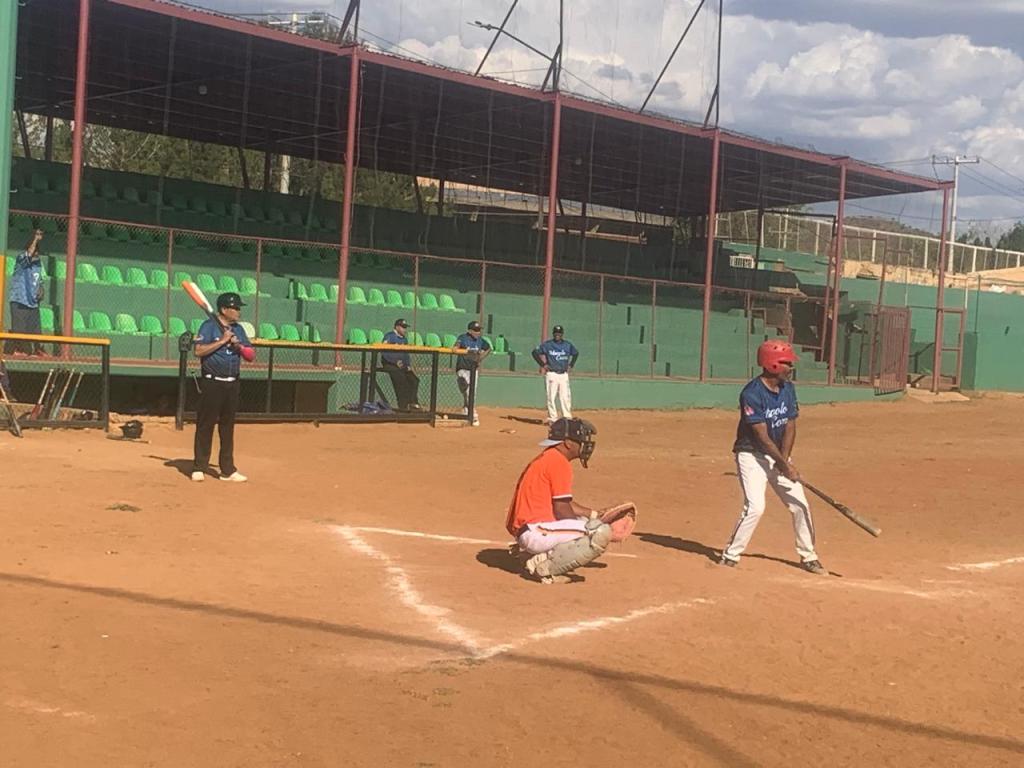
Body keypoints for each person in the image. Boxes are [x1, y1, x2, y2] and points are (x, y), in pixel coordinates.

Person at [719, 340, 826, 575]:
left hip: (778, 454)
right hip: (752, 454)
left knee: (800, 505)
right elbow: (761, 436)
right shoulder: (751, 394)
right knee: (755, 506)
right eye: (787, 363)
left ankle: (809, 556)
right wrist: (780, 463)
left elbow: (790, 424)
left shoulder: (788, 388)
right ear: (773, 364)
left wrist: (785, 460)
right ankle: (731, 555)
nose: (791, 367)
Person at [505, 417, 636, 584]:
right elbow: (561, 509)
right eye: (580, 440)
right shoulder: (558, 462)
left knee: (587, 523)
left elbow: (562, 503)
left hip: (531, 530)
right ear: (567, 443)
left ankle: (532, 553)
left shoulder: (549, 458)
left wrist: (595, 515)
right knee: (598, 533)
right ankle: (542, 565)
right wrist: (600, 529)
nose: (584, 445)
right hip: (536, 532)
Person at [191, 292, 253, 483]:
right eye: (235, 308)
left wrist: (239, 346)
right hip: (212, 382)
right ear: (224, 309)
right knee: (205, 425)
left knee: (227, 428)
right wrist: (222, 341)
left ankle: (227, 469)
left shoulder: (239, 330)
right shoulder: (208, 327)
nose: (238, 312)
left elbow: (250, 356)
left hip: (232, 382)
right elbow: (198, 351)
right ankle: (199, 466)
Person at [5, 229, 45, 356]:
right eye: (34, 252)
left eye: (38, 252)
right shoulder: (21, 260)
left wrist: (41, 290)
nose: (36, 254)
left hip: (33, 303)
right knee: (19, 329)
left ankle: (39, 349)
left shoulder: (38, 264)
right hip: (20, 301)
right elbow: (28, 255)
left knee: (36, 329)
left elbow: (40, 280)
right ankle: (17, 350)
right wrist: (35, 239)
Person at [532, 325, 578, 424]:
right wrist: (543, 365)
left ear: (562, 334)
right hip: (552, 373)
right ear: (553, 334)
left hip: (563, 374)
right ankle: (553, 418)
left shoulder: (567, 345)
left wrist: (571, 364)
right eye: (556, 333)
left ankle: (567, 417)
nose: (557, 335)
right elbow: (534, 353)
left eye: (559, 333)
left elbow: (575, 353)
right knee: (551, 397)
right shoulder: (548, 345)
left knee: (565, 396)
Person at [452, 320, 491, 426]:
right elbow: (456, 346)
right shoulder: (463, 337)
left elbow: (488, 348)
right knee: (468, 391)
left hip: (474, 370)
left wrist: (480, 358)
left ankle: (466, 409)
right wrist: (456, 348)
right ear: (470, 331)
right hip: (462, 368)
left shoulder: (480, 340)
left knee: (471, 393)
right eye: (476, 330)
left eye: (479, 330)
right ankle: (473, 415)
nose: (478, 332)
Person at [381, 318, 421, 411]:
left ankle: (412, 403)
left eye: (405, 327)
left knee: (414, 380)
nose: (404, 330)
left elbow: (406, 355)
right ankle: (403, 406)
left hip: (402, 366)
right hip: (390, 365)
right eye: (403, 327)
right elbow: (384, 352)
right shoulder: (389, 336)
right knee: (402, 382)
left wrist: (408, 365)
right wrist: (394, 362)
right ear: (397, 327)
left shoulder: (404, 340)